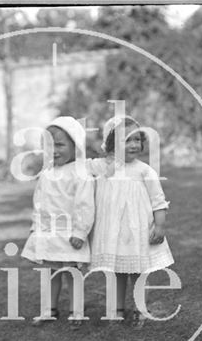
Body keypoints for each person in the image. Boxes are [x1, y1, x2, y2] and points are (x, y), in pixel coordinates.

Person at [87, 115, 174, 329]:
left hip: (137, 232)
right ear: (111, 144)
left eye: (137, 139)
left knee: (136, 272)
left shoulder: (144, 170)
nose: (134, 144)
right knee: (117, 271)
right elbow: (78, 169)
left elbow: (158, 201)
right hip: (113, 233)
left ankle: (139, 309)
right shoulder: (103, 167)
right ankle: (116, 310)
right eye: (127, 140)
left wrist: (160, 226)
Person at [21, 116, 95, 328]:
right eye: (49, 146)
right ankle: (49, 310)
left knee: (72, 273)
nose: (54, 151)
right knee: (50, 273)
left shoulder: (80, 173)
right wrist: (36, 227)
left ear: (75, 146)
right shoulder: (46, 174)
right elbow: (40, 202)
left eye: (60, 145)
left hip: (70, 233)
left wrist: (81, 232)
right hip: (48, 232)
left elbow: (85, 204)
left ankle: (77, 312)